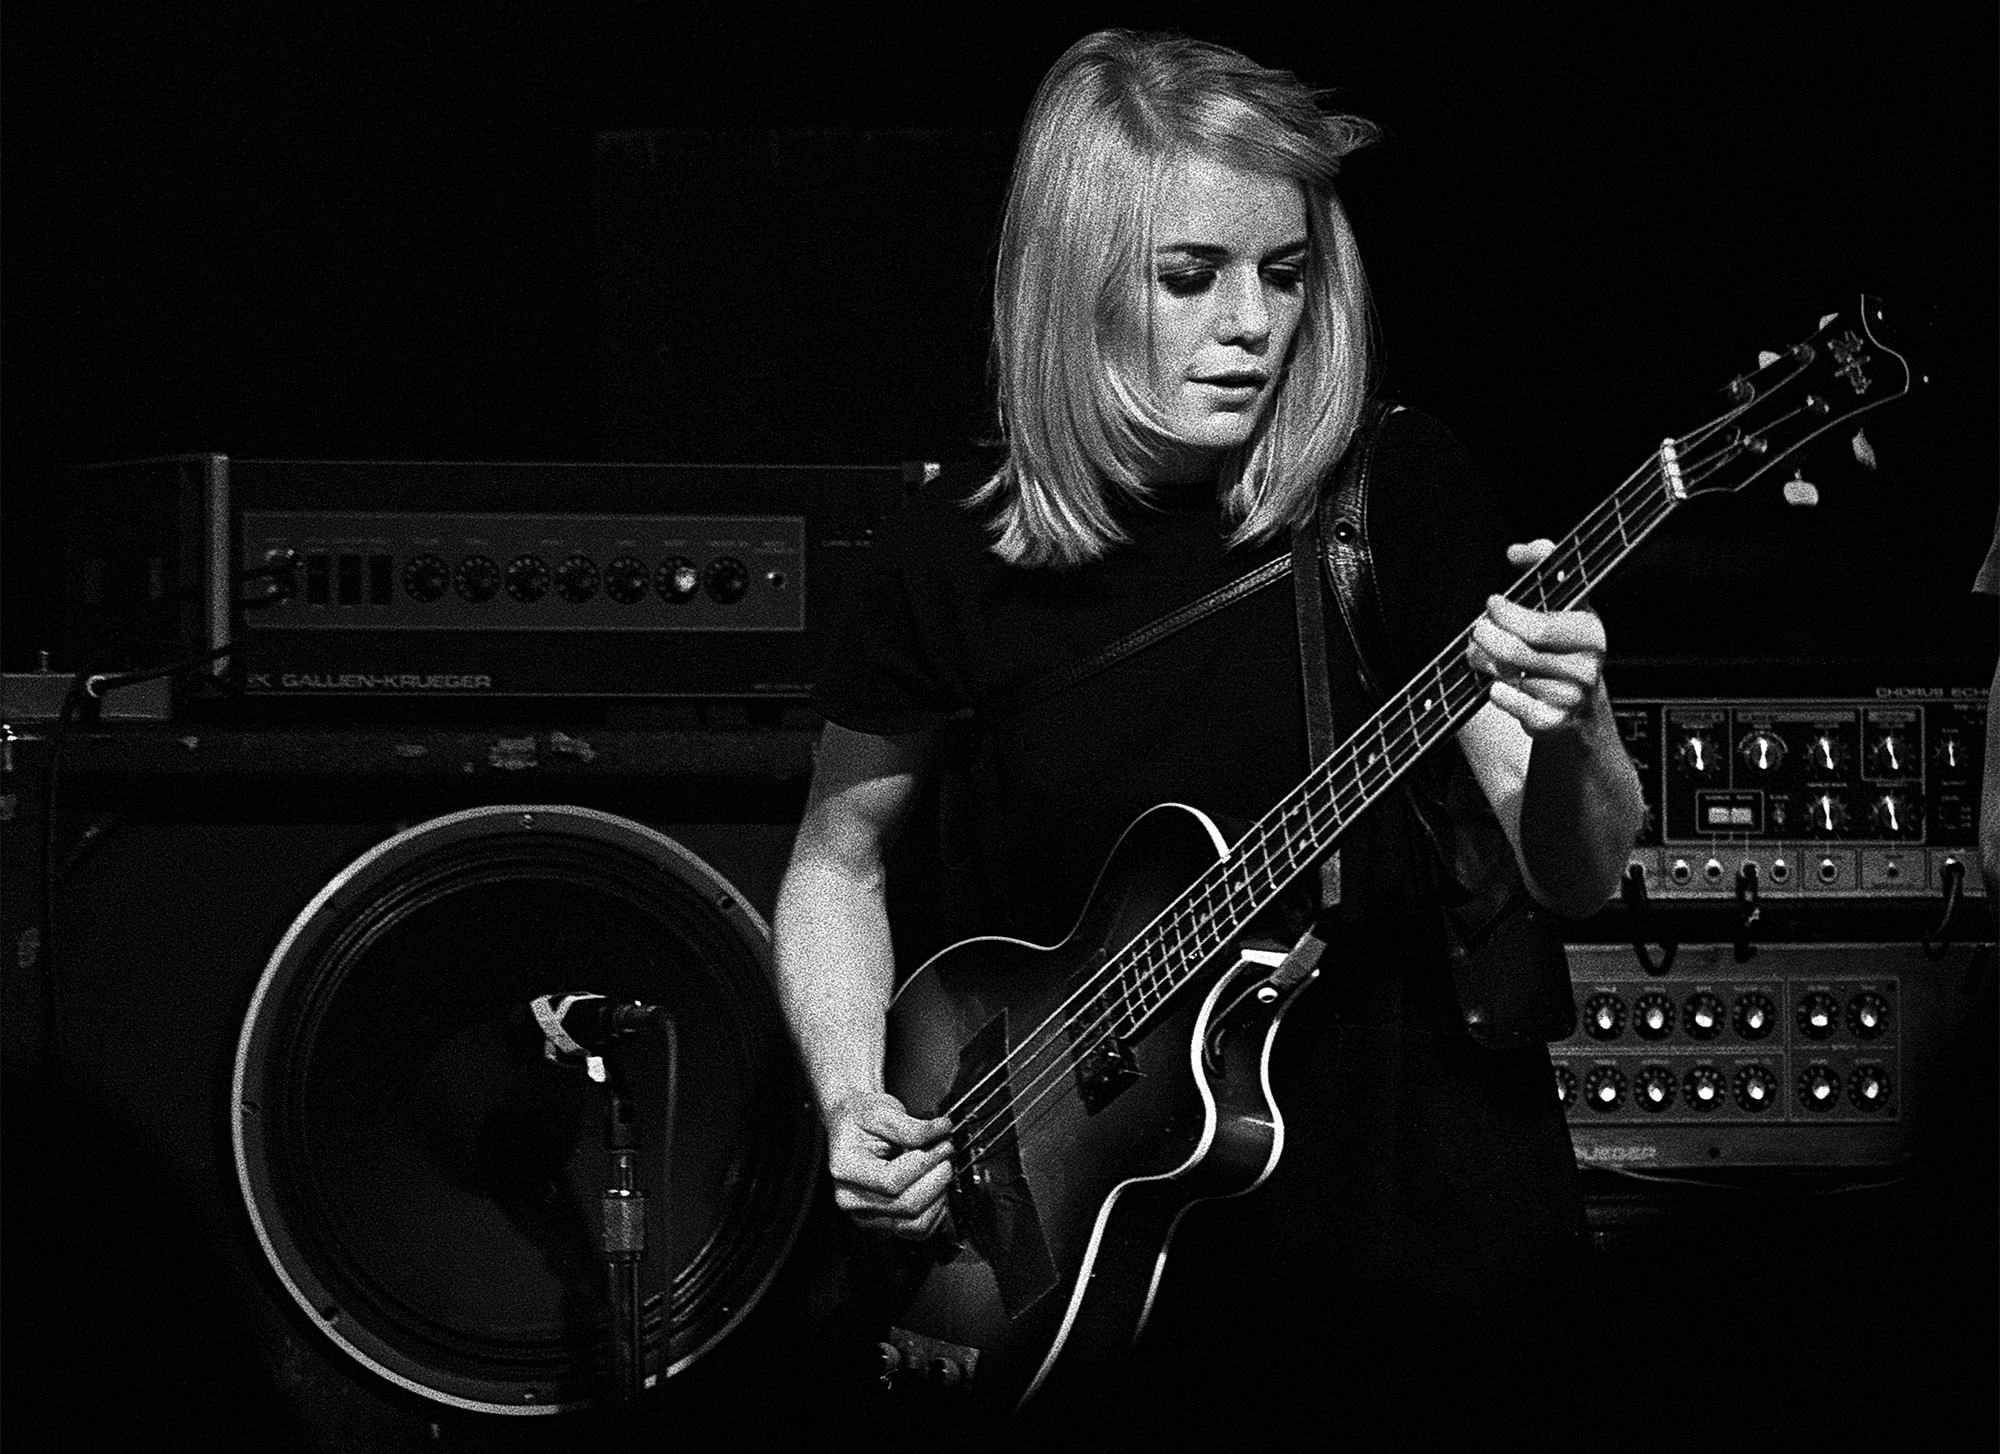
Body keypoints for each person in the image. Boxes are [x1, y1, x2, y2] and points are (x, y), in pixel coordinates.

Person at [772, 28, 1645, 1442]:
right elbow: (838, 865)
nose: (1252, 321)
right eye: (1192, 276)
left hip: (1415, 1254)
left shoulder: (1398, 496)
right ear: (1077, 279)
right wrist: (851, 1097)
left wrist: (1574, 731)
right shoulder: (948, 561)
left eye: (1287, 274)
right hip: (1094, 1278)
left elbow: (1580, 873)